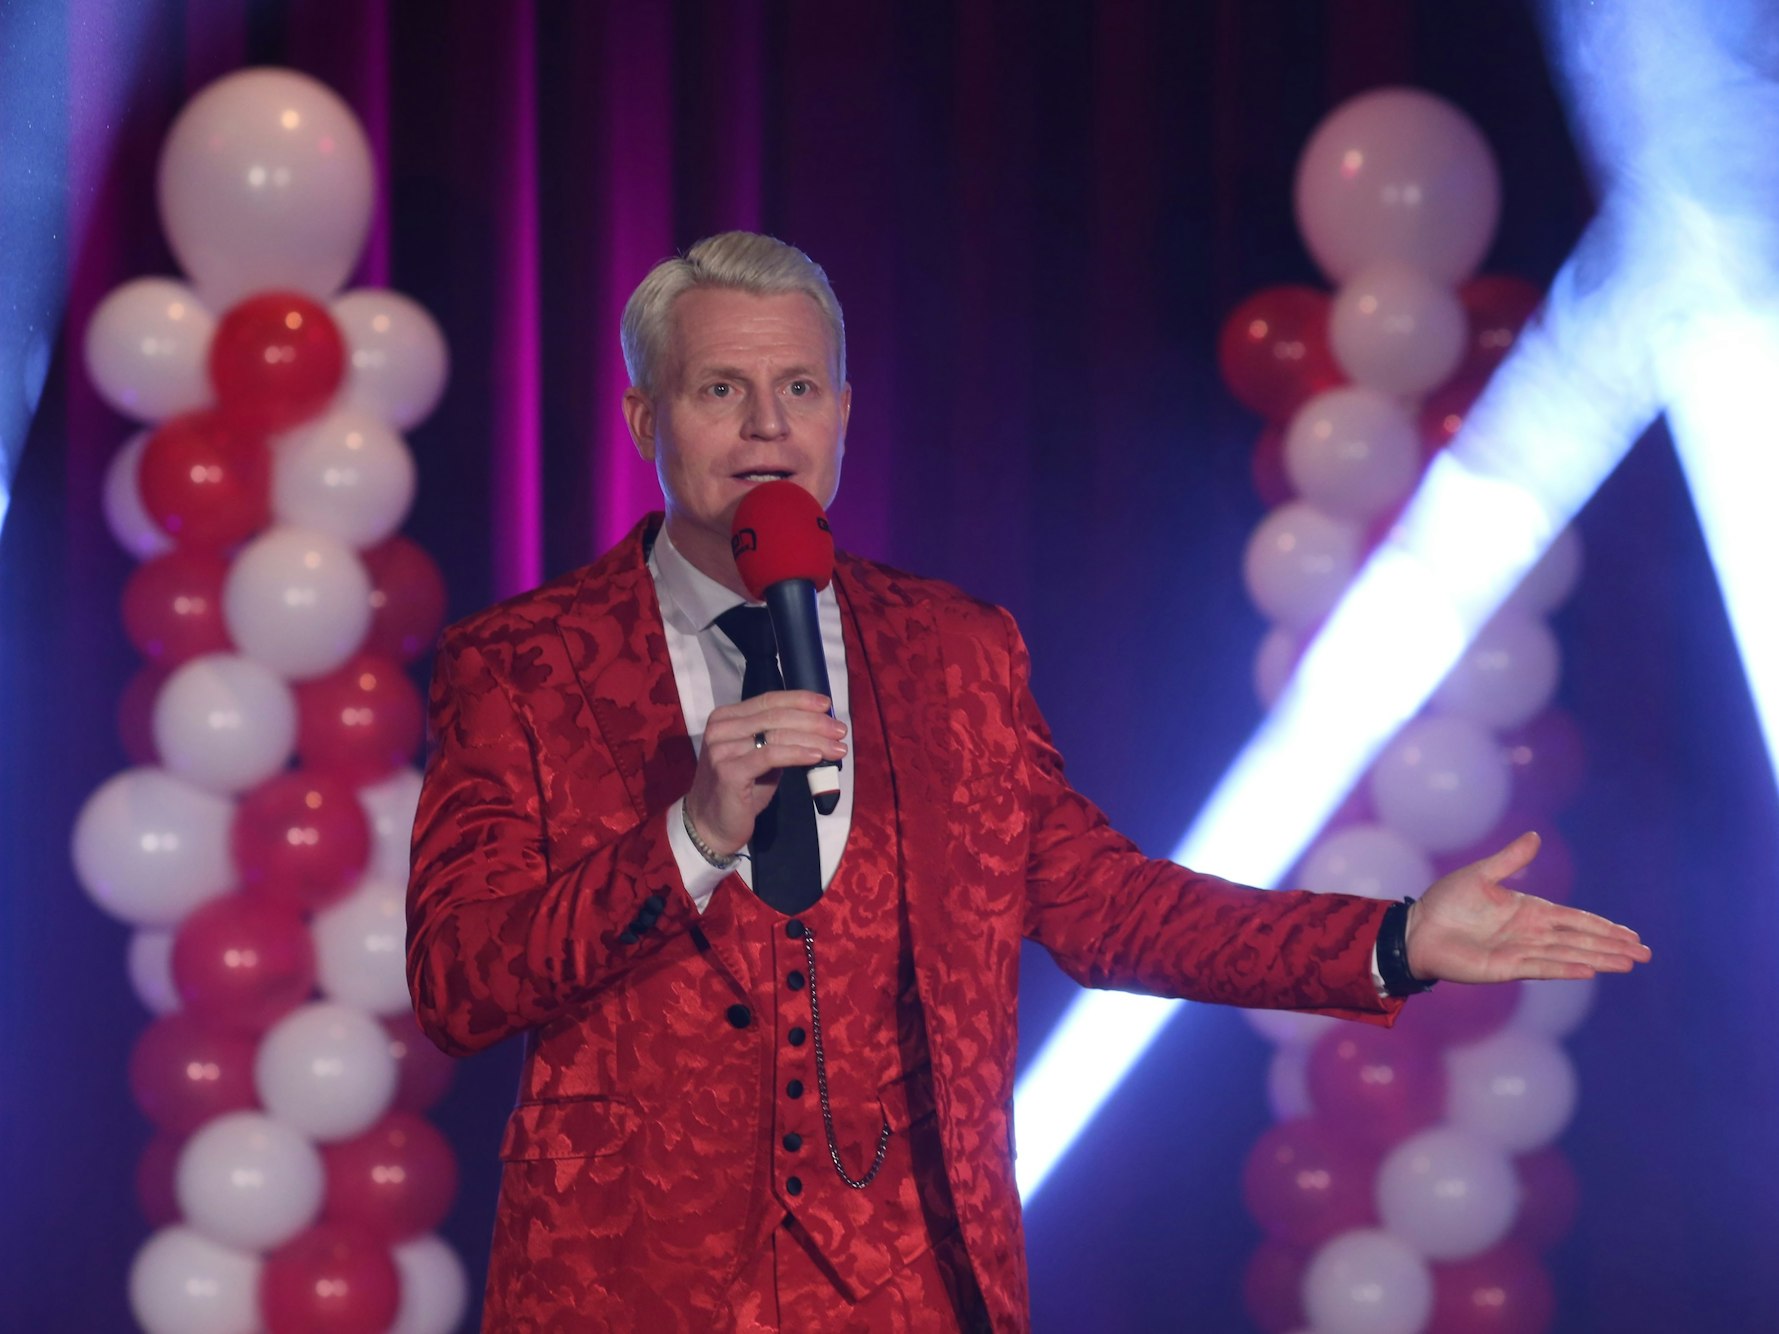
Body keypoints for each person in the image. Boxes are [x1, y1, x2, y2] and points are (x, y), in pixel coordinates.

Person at [406, 231, 1650, 1333]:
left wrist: (1394, 940)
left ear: (844, 413)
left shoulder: (955, 651)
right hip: (622, 1292)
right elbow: (462, 981)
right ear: (645, 419)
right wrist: (686, 833)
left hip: (907, 1284)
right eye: (720, 389)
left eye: (798, 389)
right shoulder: (520, 666)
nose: (765, 427)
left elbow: (1110, 907)